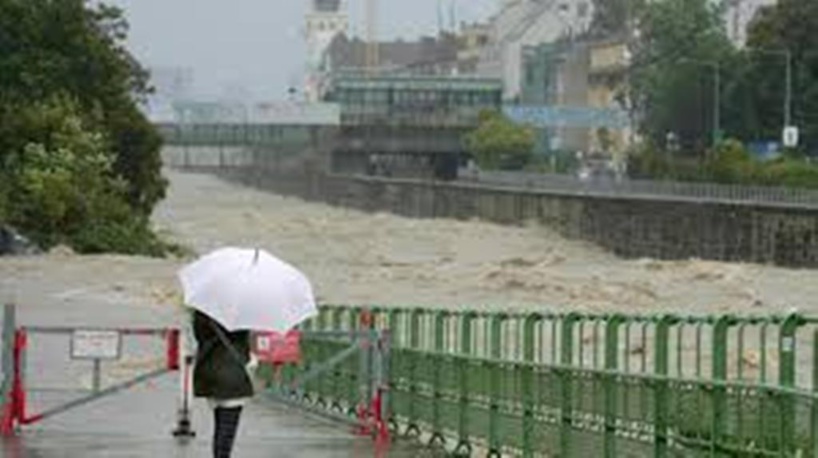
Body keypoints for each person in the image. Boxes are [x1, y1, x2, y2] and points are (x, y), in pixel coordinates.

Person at [192, 310, 255, 458]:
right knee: (227, 430)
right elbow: (242, 342)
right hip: (231, 373)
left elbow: (200, 337)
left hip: (209, 371)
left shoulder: (202, 311)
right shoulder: (241, 313)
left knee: (220, 425)